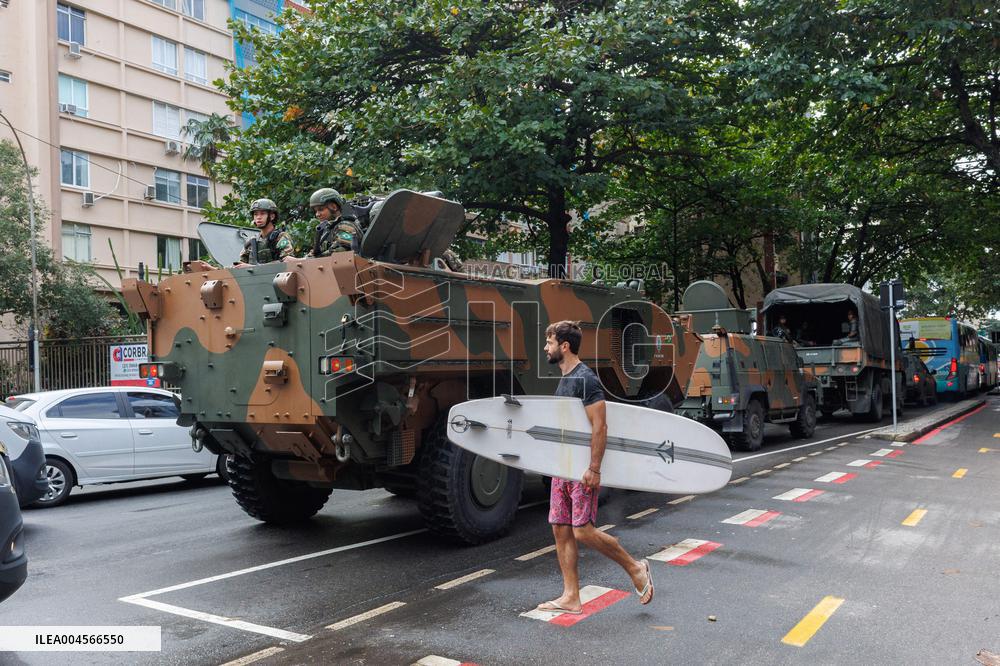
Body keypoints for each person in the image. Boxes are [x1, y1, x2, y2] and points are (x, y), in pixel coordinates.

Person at [534, 320, 653, 615]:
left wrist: (594, 468)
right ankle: (571, 596)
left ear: (565, 346)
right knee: (561, 530)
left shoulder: (585, 379)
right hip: (563, 468)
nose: (545, 348)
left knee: (583, 531)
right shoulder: (565, 380)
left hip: (581, 469)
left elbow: (599, 426)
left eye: (549, 343)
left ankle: (636, 568)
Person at [235, 199, 293, 267]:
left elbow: (287, 262)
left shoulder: (280, 237)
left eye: (262, 214)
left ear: (272, 216)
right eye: (256, 214)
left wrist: (254, 267)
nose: (258, 217)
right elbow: (240, 265)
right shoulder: (251, 242)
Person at [307, 188, 362, 257]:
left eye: (321, 209)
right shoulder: (328, 230)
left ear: (333, 207)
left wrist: (316, 257)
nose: (317, 214)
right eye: (316, 211)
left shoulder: (345, 225)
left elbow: (341, 250)